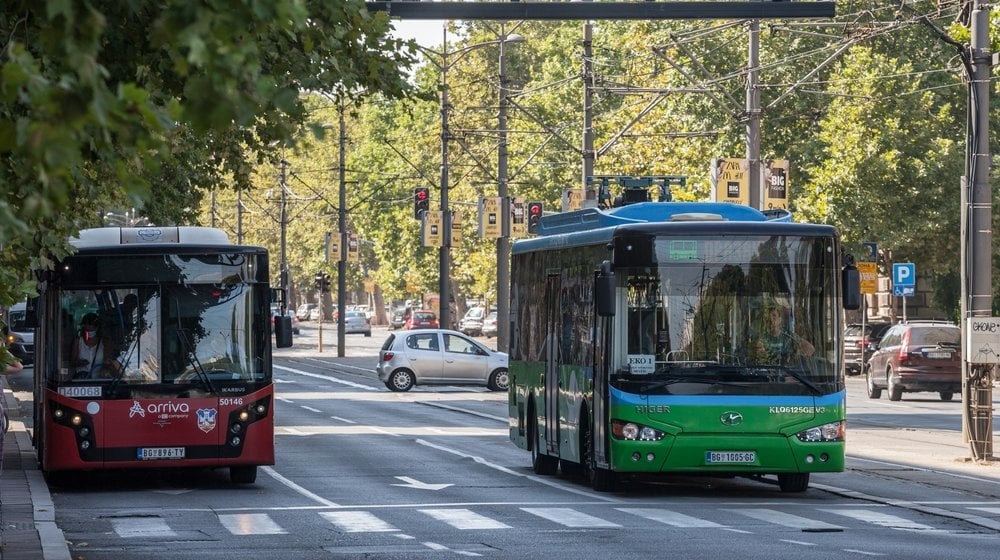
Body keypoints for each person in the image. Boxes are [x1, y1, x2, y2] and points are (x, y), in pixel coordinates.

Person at [70, 312, 118, 379]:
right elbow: (72, 362)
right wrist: (80, 363)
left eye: (91, 330)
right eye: (87, 330)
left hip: (99, 381)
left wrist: (105, 368)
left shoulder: (104, 343)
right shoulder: (78, 342)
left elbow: (109, 362)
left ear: (97, 328)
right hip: (81, 381)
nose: (89, 332)